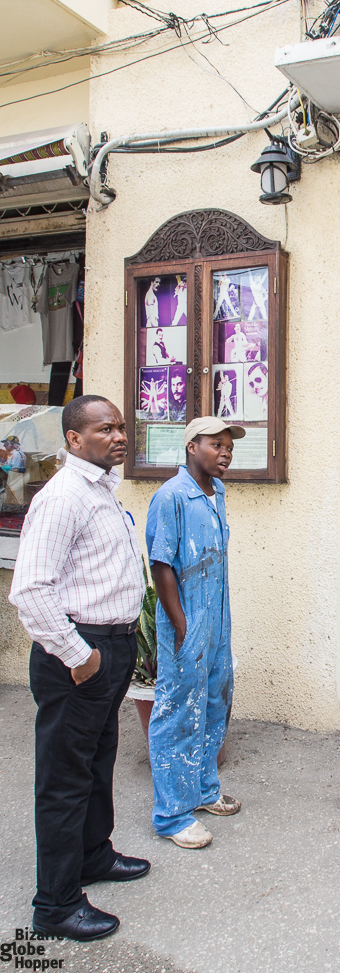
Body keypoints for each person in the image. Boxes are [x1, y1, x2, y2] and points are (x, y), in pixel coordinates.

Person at [9, 396, 149, 942]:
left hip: (109, 649)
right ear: (73, 440)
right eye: (103, 429)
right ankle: (57, 905)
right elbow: (31, 591)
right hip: (77, 654)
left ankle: (94, 855)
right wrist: (79, 656)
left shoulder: (101, 492)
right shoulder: (62, 497)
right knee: (65, 779)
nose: (118, 436)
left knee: (97, 760)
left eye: (120, 426)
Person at [145, 416, 245, 848]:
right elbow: (161, 564)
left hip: (217, 621)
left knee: (214, 702)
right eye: (216, 444)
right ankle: (171, 816)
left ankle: (203, 791)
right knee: (177, 713)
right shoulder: (170, 497)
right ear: (191, 447)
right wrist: (182, 626)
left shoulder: (217, 492)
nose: (225, 452)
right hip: (186, 624)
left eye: (229, 447)